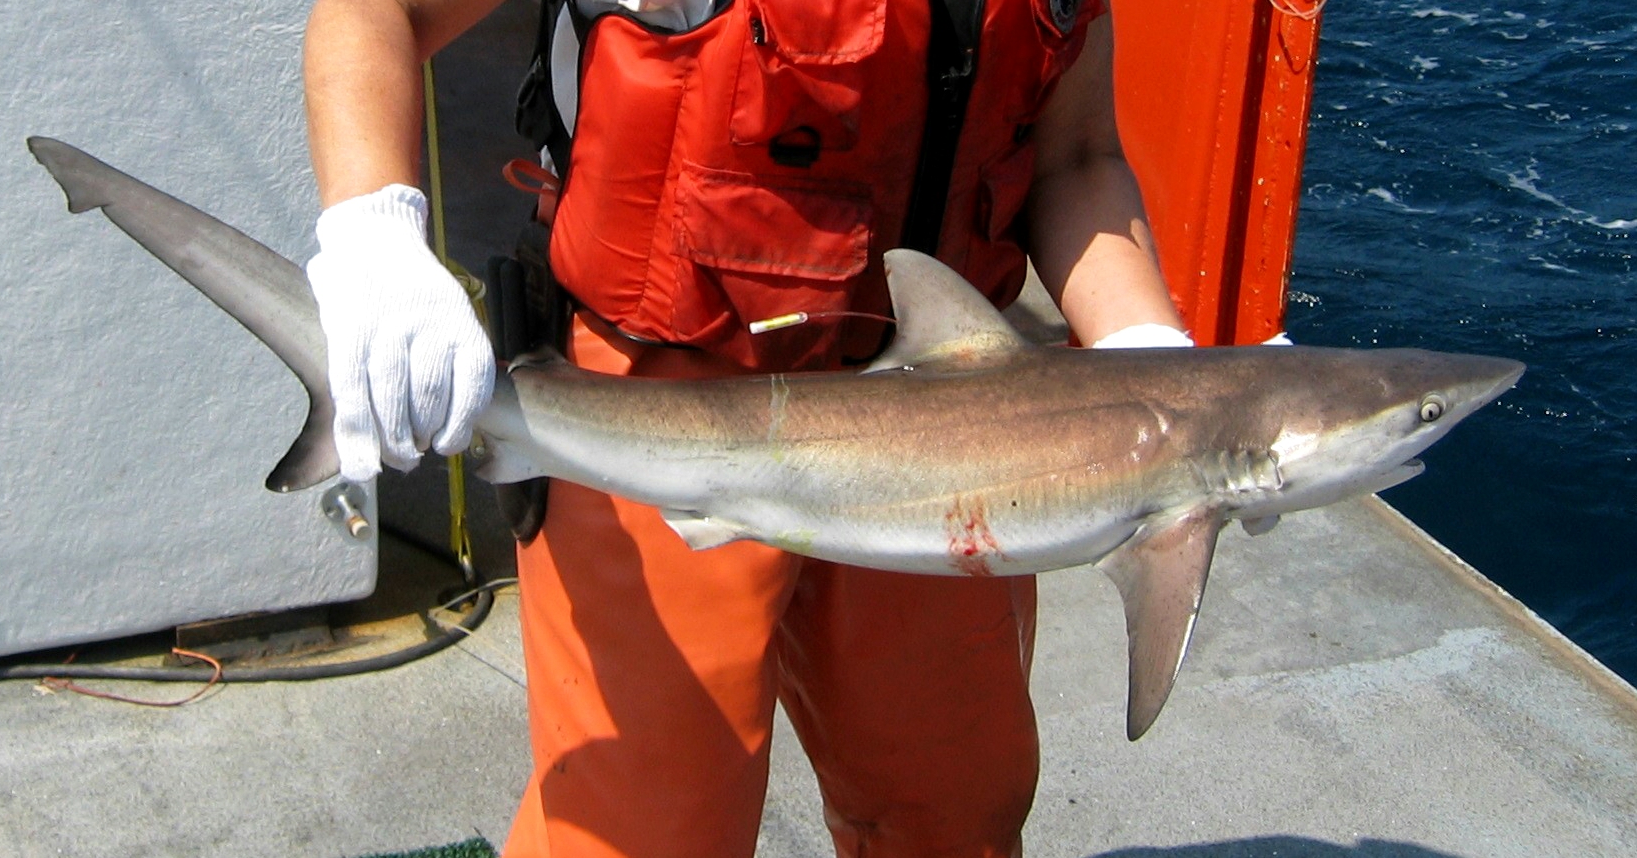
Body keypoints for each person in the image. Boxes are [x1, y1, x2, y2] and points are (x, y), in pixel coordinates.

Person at [302, 1, 1191, 855]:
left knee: (956, 809)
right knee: (643, 828)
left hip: (945, 416)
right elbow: (378, 9)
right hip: (665, 407)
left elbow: (1075, 157)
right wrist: (373, 238)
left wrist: (1158, 369)